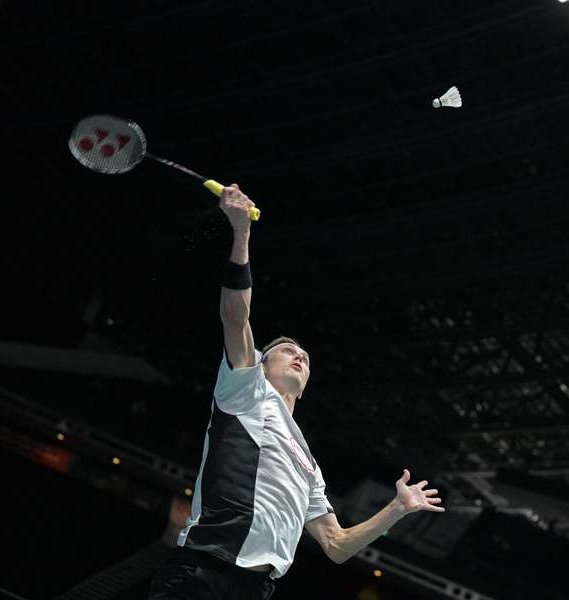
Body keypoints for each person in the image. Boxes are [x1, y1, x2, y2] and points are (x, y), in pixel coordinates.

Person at [147, 184, 445, 600]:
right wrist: (241, 232)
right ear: (259, 365)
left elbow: (337, 546)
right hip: (204, 573)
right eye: (286, 350)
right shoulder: (246, 394)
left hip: (255, 590)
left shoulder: (309, 465)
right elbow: (235, 315)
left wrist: (396, 509)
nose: (298, 355)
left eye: (304, 355)